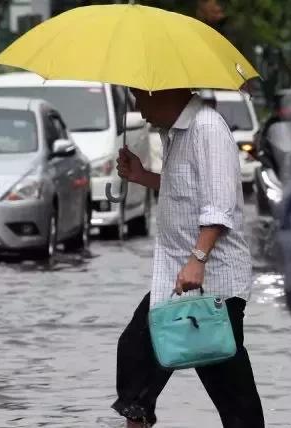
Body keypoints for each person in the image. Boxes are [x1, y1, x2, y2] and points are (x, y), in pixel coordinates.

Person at [112, 88, 265, 428]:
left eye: (141, 96)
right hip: (178, 281)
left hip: (212, 286)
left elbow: (219, 203)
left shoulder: (207, 129)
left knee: (228, 385)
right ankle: (138, 419)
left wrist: (198, 258)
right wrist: (141, 176)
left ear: (164, 91)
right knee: (137, 354)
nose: (138, 107)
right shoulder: (176, 133)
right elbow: (184, 188)